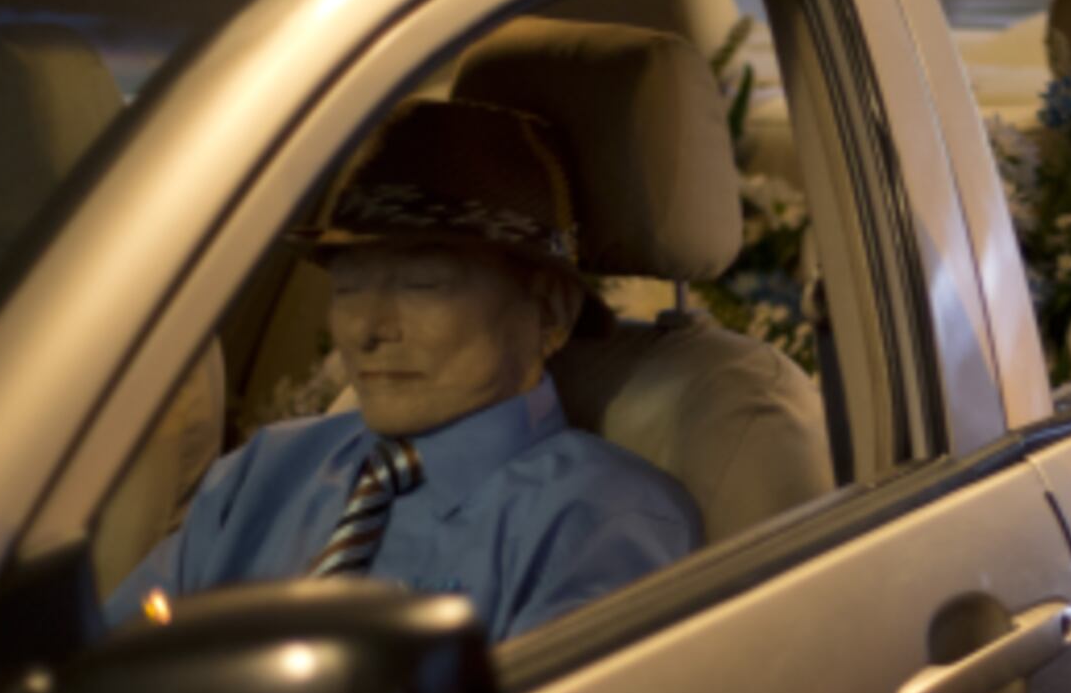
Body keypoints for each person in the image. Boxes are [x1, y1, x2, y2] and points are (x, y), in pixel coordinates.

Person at [106, 98, 701, 644]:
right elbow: (111, 655)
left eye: (424, 284)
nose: (368, 331)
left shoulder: (596, 522)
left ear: (551, 310)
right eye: (348, 287)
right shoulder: (264, 475)